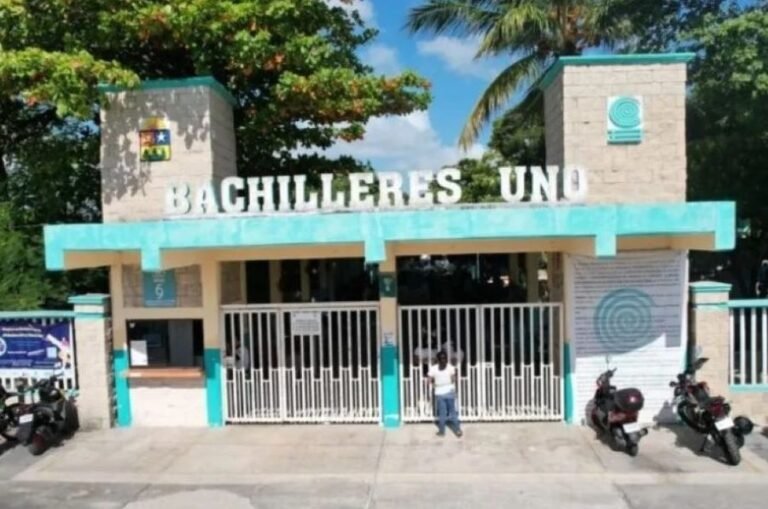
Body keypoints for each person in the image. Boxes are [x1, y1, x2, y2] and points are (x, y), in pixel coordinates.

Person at [428, 351, 463, 437]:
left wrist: (434, 383)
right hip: (449, 391)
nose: (443, 360)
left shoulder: (433, 368)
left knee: (442, 413)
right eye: (442, 358)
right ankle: (458, 430)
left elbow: (429, 380)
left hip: (440, 392)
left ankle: (442, 431)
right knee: (452, 412)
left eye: (444, 358)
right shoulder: (450, 367)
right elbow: (454, 379)